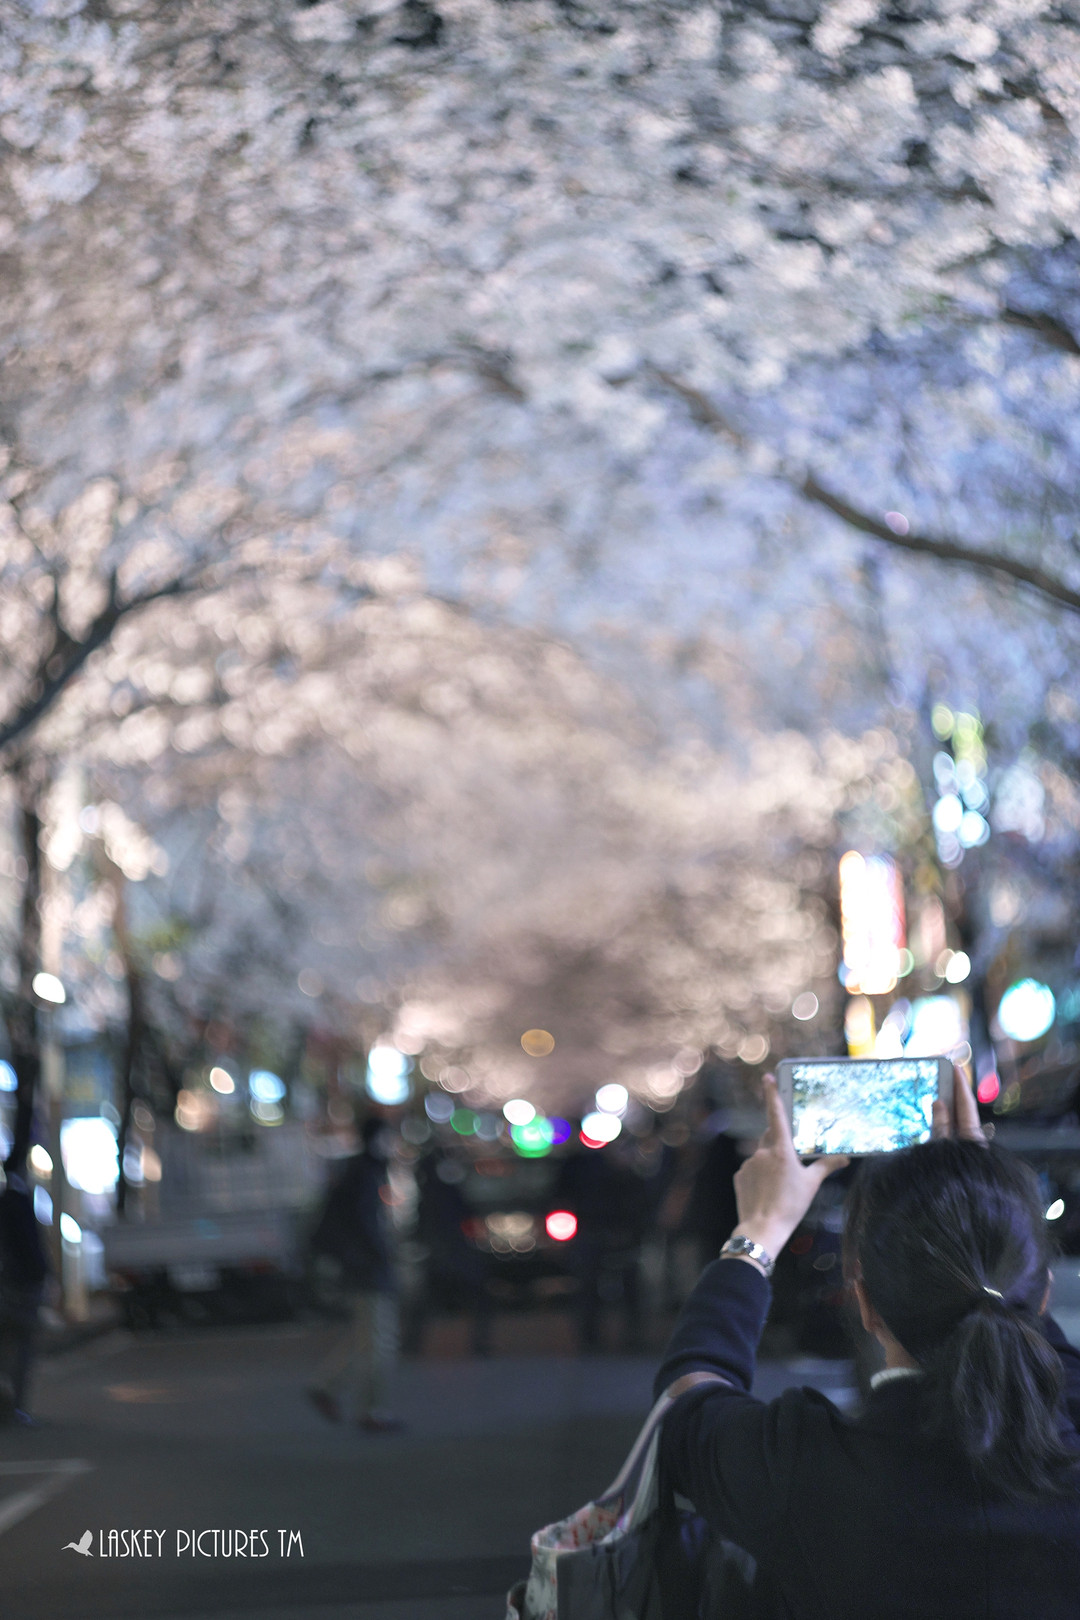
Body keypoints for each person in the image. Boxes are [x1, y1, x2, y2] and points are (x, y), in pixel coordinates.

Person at [654, 1069, 1080, 1619]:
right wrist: (977, 1204)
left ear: (865, 1304)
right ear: (1043, 1296)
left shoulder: (800, 1474)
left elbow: (686, 1399)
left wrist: (757, 1232)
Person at [307, 1117, 403, 1433]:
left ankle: (326, 1385)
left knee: (367, 1335)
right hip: (368, 1269)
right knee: (377, 1341)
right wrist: (381, 1256)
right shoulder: (366, 1173)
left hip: (358, 1267)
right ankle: (371, 1411)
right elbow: (367, 1223)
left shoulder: (357, 1170)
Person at [0, 1159, 49, 1425]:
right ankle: (16, 1407)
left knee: (13, 1349)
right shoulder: (18, 1202)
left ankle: (11, 1407)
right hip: (21, 1288)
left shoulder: (13, 1203)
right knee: (21, 1350)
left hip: (12, 1286)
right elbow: (33, 1252)